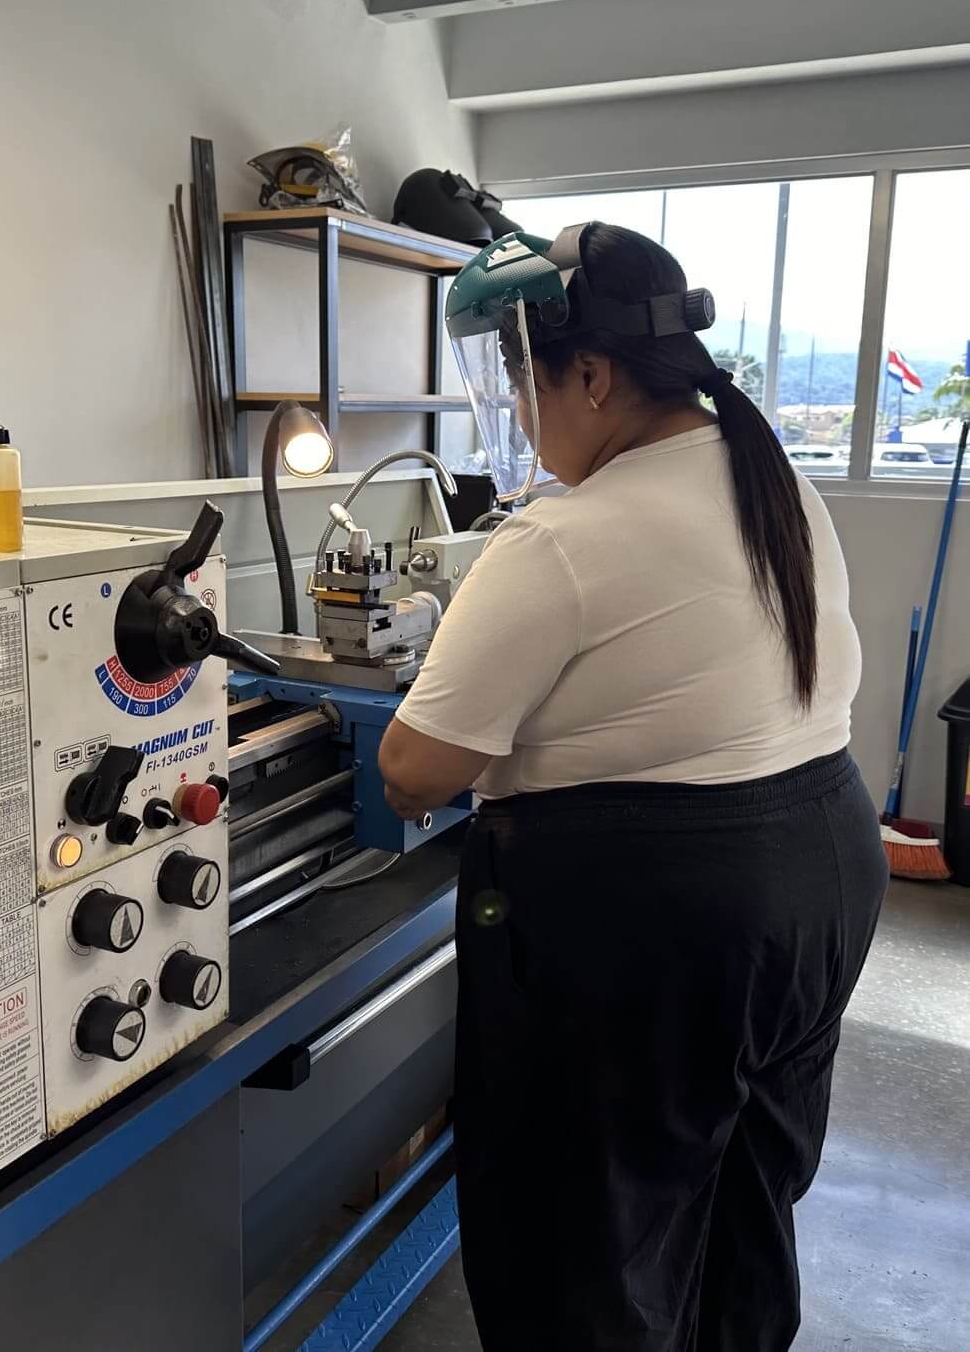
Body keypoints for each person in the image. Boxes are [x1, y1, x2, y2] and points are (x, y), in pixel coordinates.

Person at [377, 222, 887, 1352]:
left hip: (661, 925)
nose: (520, 413)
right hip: (824, 870)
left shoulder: (562, 537)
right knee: (743, 1202)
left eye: (525, 382)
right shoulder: (776, 482)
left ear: (595, 376)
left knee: (589, 1251)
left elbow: (413, 770)